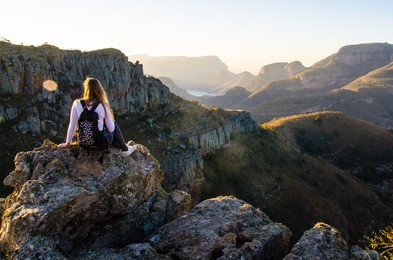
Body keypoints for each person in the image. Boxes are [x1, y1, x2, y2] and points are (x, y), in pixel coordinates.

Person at [58, 77, 137, 155]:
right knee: (114, 125)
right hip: (100, 144)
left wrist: (67, 143)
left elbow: (72, 125)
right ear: (99, 89)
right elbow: (111, 129)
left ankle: (122, 147)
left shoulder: (77, 103)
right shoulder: (103, 105)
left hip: (83, 144)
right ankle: (125, 149)